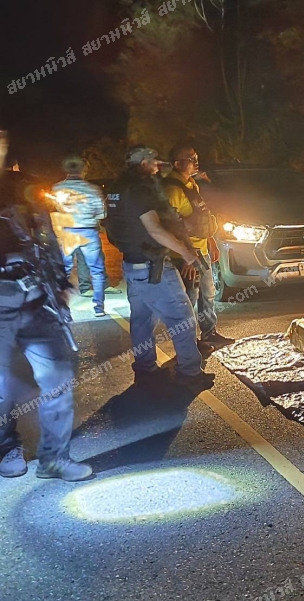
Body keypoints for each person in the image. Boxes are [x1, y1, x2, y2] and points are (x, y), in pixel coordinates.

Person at [0, 131, 92, 481]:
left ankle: (54, 458)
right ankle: (6, 447)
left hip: (37, 301)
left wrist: (61, 285)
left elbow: (47, 238)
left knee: (58, 380)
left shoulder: (22, 185)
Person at [105, 146, 215, 390]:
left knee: (142, 320)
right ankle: (190, 373)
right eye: (153, 160)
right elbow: (154, 229)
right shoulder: (139, 189)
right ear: (143, 163)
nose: (157, 164)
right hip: (152, 265)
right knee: (182, 317)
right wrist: (187, 253)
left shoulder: (118, 187)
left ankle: (146, 369)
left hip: (133, 264)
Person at [162, 144, 233, 350]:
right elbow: (171, 227)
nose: (196, 161)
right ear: (177, 164)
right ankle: (189, 342)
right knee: (189, 299)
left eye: (195, 157)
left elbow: (200, 217)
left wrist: (211, 241)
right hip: (185, 255)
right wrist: (187, 257)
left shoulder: (191, 184)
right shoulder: (172, 190)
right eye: (191, 158)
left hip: (201, 250)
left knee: (208, 293)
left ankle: (209, 333)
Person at [51, 156, 114, 317]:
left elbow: (55, 208)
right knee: (96, 270)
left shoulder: (57, 188)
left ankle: (62, 306)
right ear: (84, 170)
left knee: (64, 270)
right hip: (88, 232)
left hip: (67, 232)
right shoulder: (93, 189)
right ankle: (99, 307)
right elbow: (102, 214)